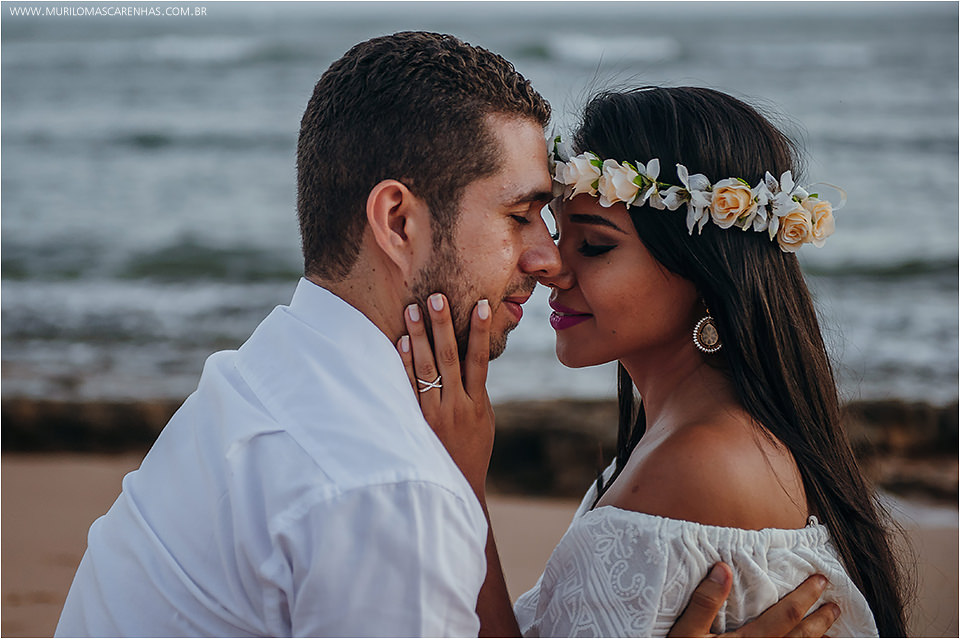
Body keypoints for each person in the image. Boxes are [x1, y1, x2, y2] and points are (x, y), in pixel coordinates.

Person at [56, 33, 837, 637]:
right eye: (521, 216)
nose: (548, 260)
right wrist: (458, 481)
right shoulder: (386, 487)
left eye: (580, 237)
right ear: (398, 221)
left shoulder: (261, 377)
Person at [398, 87, 907, 636]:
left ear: (703, 271)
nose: (549, 265)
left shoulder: (700, 462)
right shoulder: (686, 436)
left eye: (593, 246)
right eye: (555, 231)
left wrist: (463, 481)